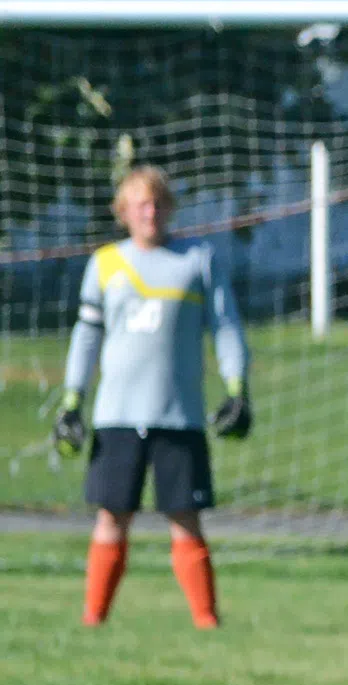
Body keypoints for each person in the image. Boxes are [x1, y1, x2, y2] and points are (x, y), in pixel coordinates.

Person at [54, 165, 251, 629]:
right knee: (111, 518)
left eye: (160, 202)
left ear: (171, 209)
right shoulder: (104, 263)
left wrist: (237, 388)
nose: (152, 211)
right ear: (123, 211)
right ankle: (93, 620)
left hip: (178, 417)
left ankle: (207, 622)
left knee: (186, 519)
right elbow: (87, 338)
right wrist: (72, 400)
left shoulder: (198, 259)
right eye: (141, 203)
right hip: (117, 417)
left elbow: (226, 328)